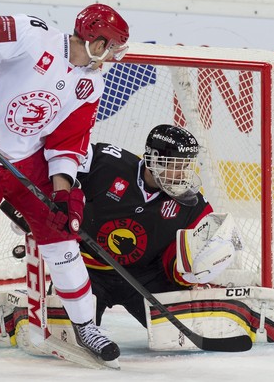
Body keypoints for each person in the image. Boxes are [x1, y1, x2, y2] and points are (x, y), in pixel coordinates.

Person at [0, 4, 129, 364]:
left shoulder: (90, 83)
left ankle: (86, 326)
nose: (113, 55)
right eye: (111, 46)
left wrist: (63, 193)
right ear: (95, 40)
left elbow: (66, 142)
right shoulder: (32, 36)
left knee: (63, 242)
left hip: (31, 162)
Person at [77, 124, 234, 327]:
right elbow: (60, 163)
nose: (181, 174)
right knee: (66, 332)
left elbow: (198, 247)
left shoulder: (192, 205)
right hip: (87, 270)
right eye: (175, 165)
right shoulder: (104, 164)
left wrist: (192, 271)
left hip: (144, 277)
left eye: (185, 166)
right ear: (154, 159)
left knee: (183, 330)